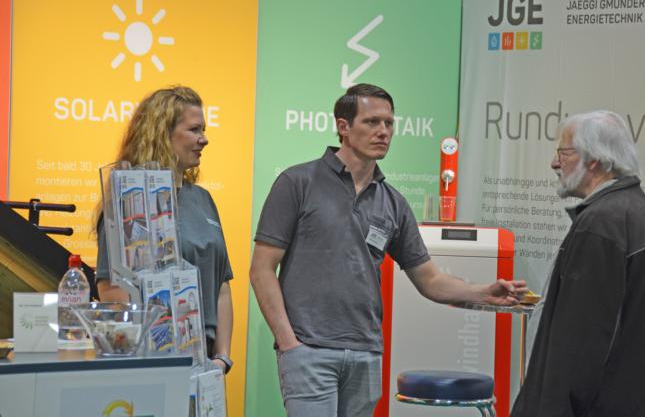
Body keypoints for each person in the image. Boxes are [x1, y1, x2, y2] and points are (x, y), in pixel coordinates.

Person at [250, 83, 527, 417]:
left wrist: (484, 292)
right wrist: (288, 342)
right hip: (310, 350)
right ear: (343, 127)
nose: (383, 131)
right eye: (371, 122)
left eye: (389, 123)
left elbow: (430, 280)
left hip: (366, 354)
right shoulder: (298, 182)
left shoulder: (393, 202)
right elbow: (261, 269)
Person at [511, 111, 645, 417]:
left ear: (595, 159)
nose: (555, 163)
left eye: (564, 153)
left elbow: (579, 343)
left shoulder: (601, 224)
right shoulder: (640, 214)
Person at [95, 86, 234, 374]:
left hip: (206, 363)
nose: (204, 139)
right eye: (194, 129)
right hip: (152, 360)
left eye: (203, 129)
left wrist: (222, 358)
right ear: (162, 133)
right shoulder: (129, 202)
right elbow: (111, 290)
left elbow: (222, 286)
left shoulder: (203, 199)